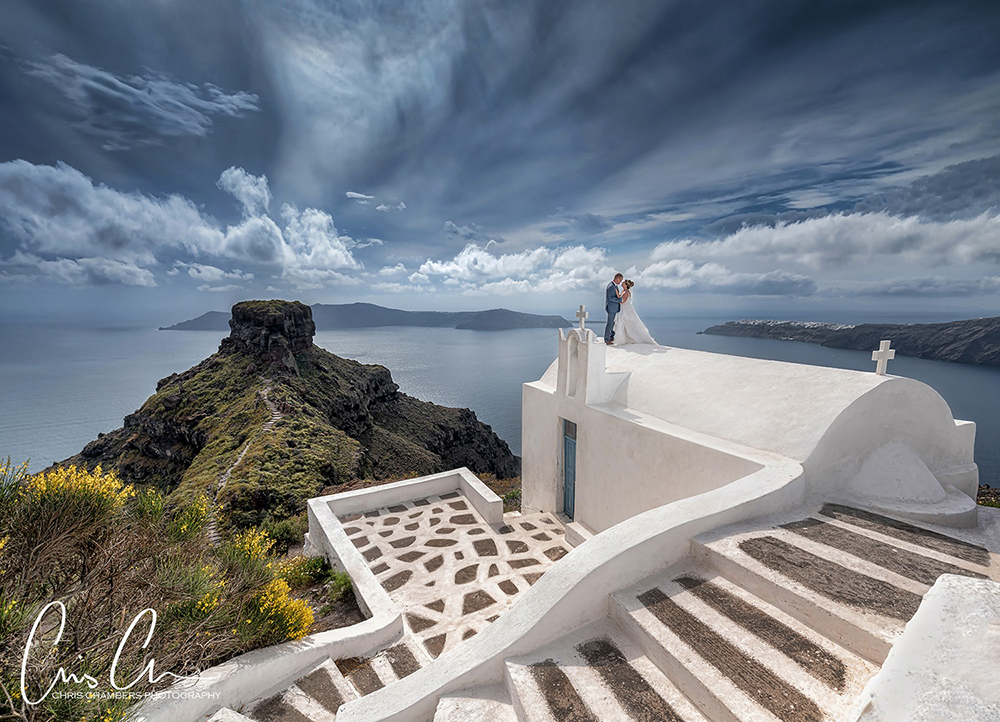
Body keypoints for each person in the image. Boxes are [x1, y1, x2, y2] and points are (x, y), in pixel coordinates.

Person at [613, 279, 657, 345]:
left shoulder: (626, 292)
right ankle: (625, 337)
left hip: (626, 309)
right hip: (624, 308)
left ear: (626, 285)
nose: (622, 283)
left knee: (627, 323)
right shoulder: (623, 291)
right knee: (624, 323)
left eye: (623, 283)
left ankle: (630, 337)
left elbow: (622, 301)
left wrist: (616, 295)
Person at [604, 273, 624, 344]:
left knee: (612, 323)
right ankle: (607, 339)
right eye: (620, 280)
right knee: (610, 323)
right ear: (617, 278)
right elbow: (611, 298)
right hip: (611, 308)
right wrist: (620, 300)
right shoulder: (611, 286)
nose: (620, 282)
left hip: (613, 308)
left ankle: (610, 337)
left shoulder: (613, 286)